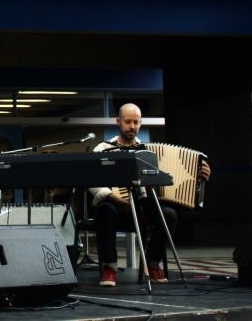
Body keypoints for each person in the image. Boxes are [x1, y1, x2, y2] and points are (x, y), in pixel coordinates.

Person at [89, 103, 211, 287]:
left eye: (136, 122)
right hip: (115, 210)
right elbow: (93, 180)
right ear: (118, 121)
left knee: (169, 214)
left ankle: (153, 263)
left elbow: (174, 176)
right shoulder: (103, 148)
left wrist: (199, 175)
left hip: (142, 210)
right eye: (128, 121)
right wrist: (115, 198)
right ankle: (109, 268)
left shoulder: (150, 151)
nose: (132, 126)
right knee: (105, 210)